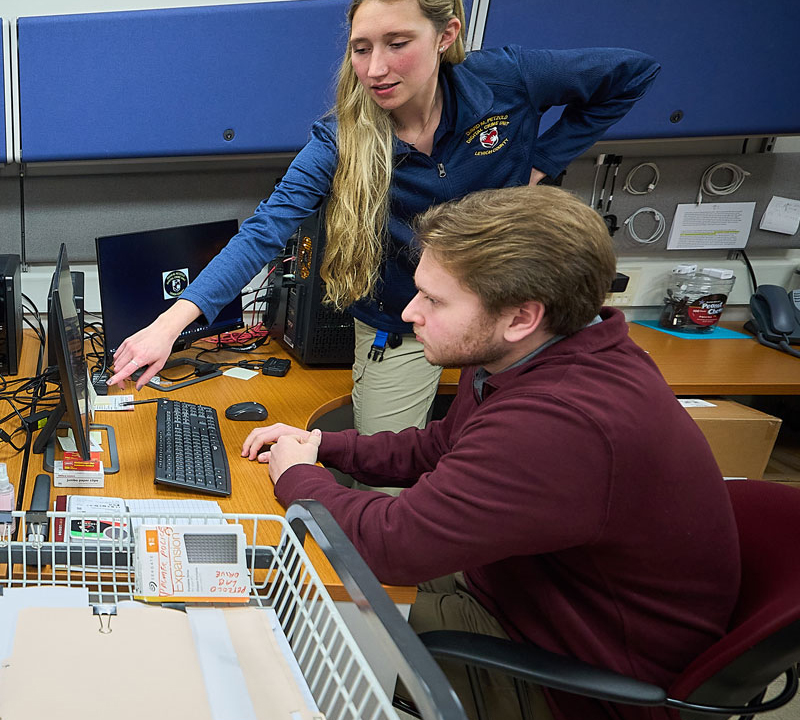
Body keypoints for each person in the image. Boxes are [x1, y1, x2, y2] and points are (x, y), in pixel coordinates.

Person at [240, 186, 740, 720]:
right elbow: (439, 445)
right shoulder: (523, 354)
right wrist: (324, 446)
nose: (410, 312)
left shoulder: (560, 419)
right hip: (520, 589)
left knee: (290, 618)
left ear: (521, 316)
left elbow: (395, 544)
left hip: (575, 677)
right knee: (277, 571)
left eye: (434, 300)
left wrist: (297, 478)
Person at [108, 0, 660, 438]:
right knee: (386, 471)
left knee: (535, 454)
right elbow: (264, 232)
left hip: (512, 312)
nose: (376, 69)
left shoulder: (508, 79)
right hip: (404, 320)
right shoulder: (341, 139)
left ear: (445, 36)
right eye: (361, 48)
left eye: (398, 44)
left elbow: (633, 73)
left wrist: (541, 162)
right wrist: (167, 326)